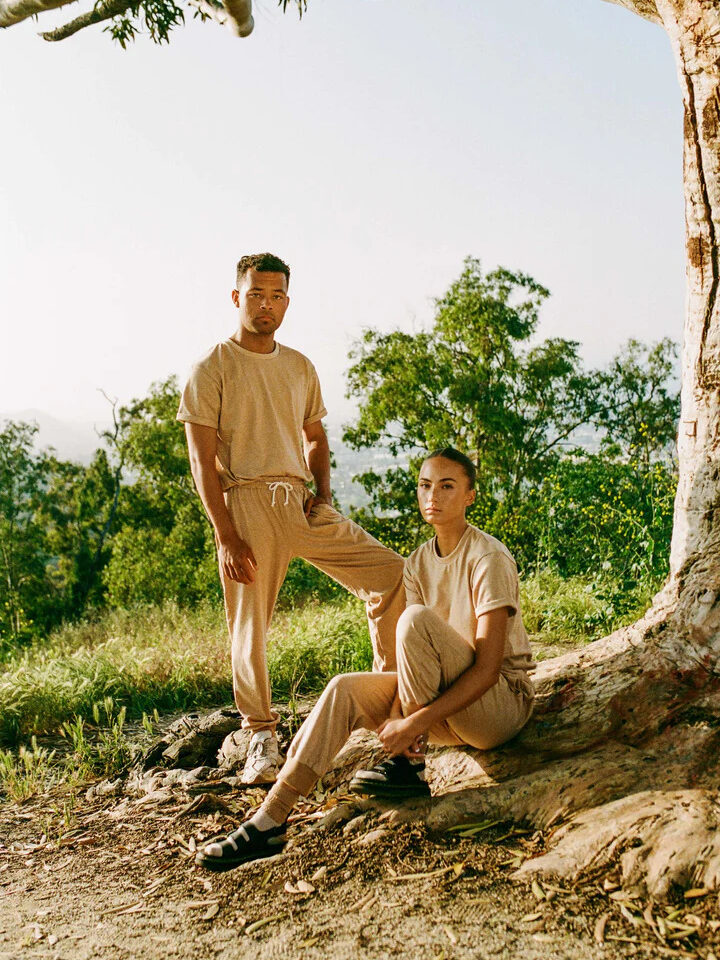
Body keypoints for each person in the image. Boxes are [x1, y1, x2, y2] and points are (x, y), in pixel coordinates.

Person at [196, 446, 535, 872]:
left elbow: (487, 671)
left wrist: (412, 724)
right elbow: (413, 665)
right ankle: (270, 820)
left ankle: (407, 766)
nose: (434, 496)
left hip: (499, 709)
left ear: (470, 496)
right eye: (426, 485)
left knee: (413, 620)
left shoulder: (487, 557)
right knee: (344, 688)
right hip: (448, 707)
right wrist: (397, 717)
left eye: (448, 486)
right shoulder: (415, 564)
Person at [177, 252, 405, 785]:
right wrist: (226, 534)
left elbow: (316, 437)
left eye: (277, 296)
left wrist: (323, 494)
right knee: (250, 625)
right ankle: (259, 733)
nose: (266, 305)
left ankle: (387, 694)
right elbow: (199, 459)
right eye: (256, 294)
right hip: (247, 504)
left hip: (300, 502)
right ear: (237, 298)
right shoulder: (212, 366)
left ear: (287, 301)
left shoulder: (300, 365)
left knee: (393, 574)